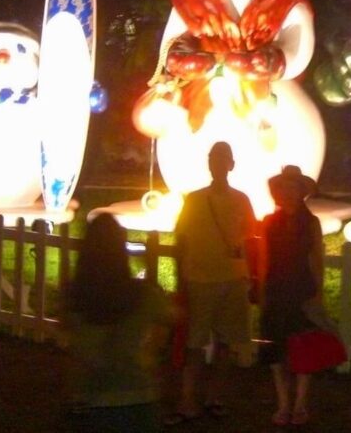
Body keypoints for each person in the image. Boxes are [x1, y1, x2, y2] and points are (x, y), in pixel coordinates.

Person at [169, 140, 258, 425]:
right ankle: (187, 398)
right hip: (201, 280)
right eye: (215, 159)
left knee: (225, 342)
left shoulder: (241, 200)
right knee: (195, 343)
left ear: (231, 164)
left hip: (231, 279)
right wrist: (182, 274)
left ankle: (213, 397)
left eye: (224, 159)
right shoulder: (194, 200)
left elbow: (249, 236)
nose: (219, 164)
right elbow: (181, 239)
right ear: (210, 164)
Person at [63, 213, 171, 433]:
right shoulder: (141, 294)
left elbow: (71, 346)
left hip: (95, 395)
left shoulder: (75, 296)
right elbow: (170, 318)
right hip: (138, 393)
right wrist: (152, 352)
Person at [258, 165, 325, 427]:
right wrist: (263, 290)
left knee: (302, 346)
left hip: (301, 289)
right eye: (283, 187)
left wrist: (318, 293)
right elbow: (264, 258)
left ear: (301, 191)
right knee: (276, 349)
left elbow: (317, 259)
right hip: (276, 289)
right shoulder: (270, 222)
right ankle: (283, 403)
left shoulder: (311, 223)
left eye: (293, 187)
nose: (287, 192)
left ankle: (299, 404)